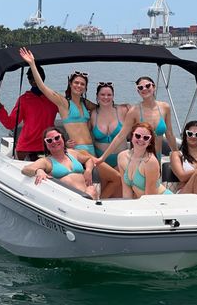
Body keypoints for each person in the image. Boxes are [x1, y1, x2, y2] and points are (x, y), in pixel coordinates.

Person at [18, 47, 122, 198]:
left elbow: (105, 106)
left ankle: (99, 203)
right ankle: (98, 205)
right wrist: (32, 64)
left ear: (85, 87)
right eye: (76, 83)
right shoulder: (63, 103)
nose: (79, 86)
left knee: (111, 180)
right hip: (79, 151)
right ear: (70, 83)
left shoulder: (86, 104)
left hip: (92, 150)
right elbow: (43, 88)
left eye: (82, 84)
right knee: (116, 178)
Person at [94, 76, 177, 166]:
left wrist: (177, 153)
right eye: (140, 87)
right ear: (138, 91)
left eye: (147, 86)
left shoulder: (165, 107)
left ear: (154, 86)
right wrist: (103, 158)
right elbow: (120, 136)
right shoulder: (134, 111)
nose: (144, 89)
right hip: (139, 160)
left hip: (156, 158)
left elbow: (170, 134)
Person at [0, 65, 58, 161]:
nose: (33, 79)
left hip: (47, 145)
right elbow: (10, 123)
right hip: (26, 148)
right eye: (30, 77)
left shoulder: (54, 98)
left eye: (35, 76)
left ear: (42, 77)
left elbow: (69, 114)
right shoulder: (24, 100)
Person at [21, 127, 98, 199]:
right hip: (69, 199)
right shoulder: (46, 161)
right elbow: (25, 169)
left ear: (63, 138)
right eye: (49, 140)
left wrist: (88, 171)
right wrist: (38, 171)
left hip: (87, 194)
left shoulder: (71, 153)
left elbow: (88, 159)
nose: (54, 141)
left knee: (91, 189)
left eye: (57, 138)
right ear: (46, 145)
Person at [117, 122, 172, 198]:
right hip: (146, 203)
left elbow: (150, 197)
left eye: (146, 138)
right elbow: (126, 190)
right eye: (137, 136)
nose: (141, 139)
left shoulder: (150, 162)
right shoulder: (122, 157)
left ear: (149, 142)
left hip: (162, 201)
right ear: (131, 136)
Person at [90, 82, 130, 169]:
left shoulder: (123, 110)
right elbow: (86, 137)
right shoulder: (92, 115)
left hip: (122, 158)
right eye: (102, 94)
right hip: (101, 161)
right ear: (97, 96)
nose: (106, 97)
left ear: (113, 96)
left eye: (109, 95)